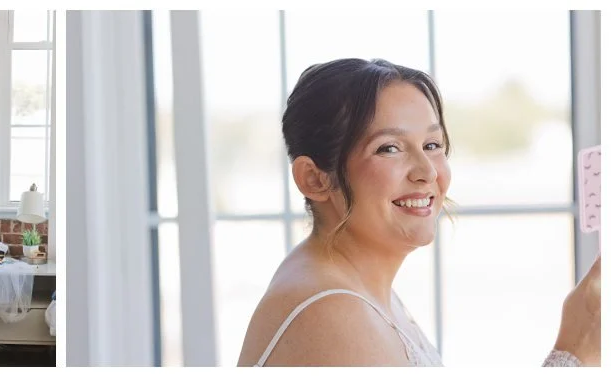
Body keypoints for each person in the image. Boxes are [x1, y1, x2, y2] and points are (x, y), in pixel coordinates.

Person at [237, 58, 601, 367]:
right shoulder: (330, 312)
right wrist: (575, 352)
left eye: (432, 144)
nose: (427, 171)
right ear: (315, 179)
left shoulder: (354, 287)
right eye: (390, 148)